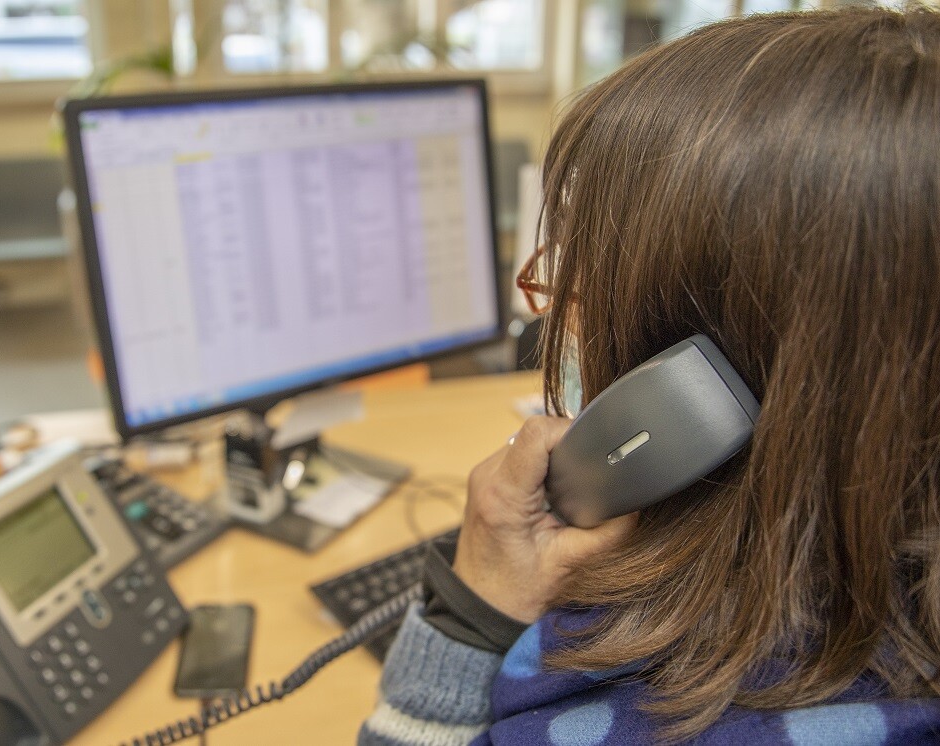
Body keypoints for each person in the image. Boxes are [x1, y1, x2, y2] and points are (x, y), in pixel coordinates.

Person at [359, 5, 940, 744]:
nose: (551, 300)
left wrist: (467, 617)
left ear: (698, 388)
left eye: (589, 274)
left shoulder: (642, 715)